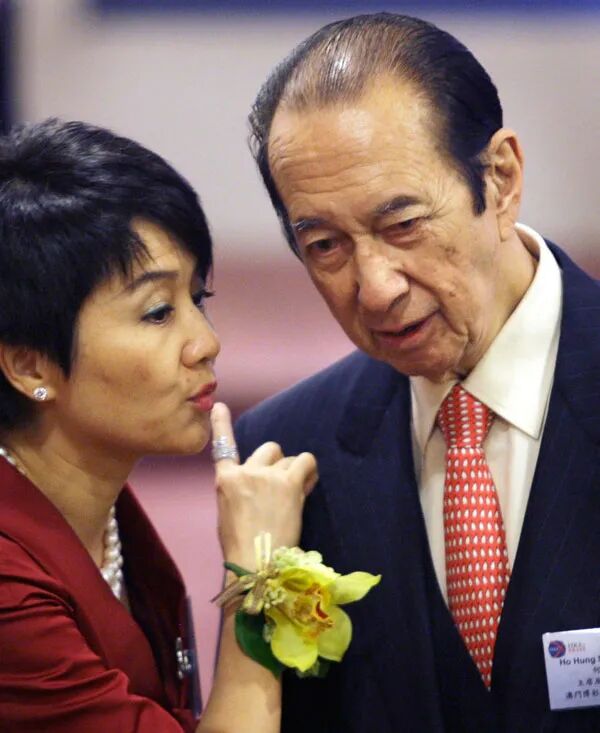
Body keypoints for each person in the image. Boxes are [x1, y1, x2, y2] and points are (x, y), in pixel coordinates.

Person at [235, 12, 600, 733]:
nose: (375, 288)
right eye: (325, 245)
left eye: (403, 225)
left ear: (500, 180)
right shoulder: (290, 454)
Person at [0, 118, 317, 732]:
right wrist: (260, 573)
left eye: (197, 300)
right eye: (156, 313)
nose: (206, 343)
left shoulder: (104, 511)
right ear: (29, 364)